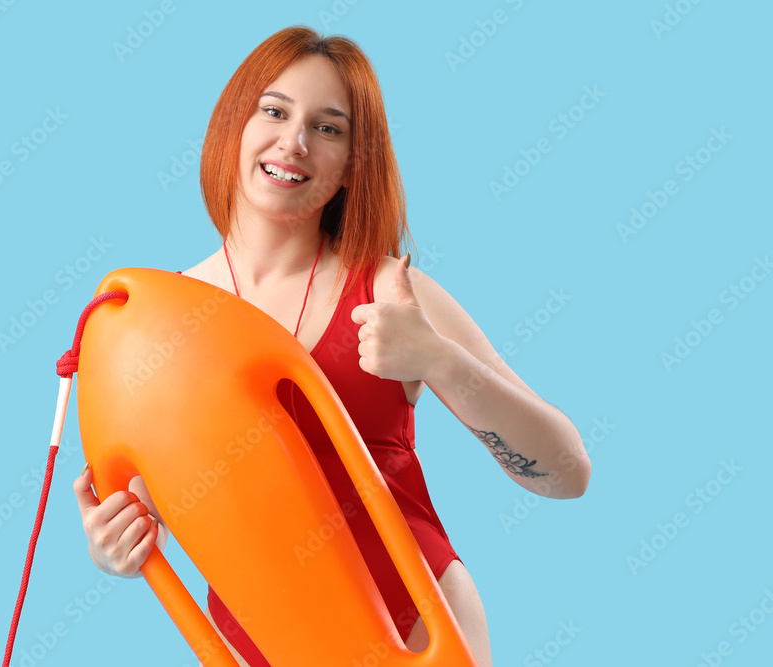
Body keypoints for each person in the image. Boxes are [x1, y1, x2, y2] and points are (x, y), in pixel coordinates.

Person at [73, 25, 590, 667]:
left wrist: (438, 361)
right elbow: (161, 503)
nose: (293, 141)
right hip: (258, 649)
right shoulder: (154, 324)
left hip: (422, 638)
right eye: (274, 110)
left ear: (352, 165)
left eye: (328, 128)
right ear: (233, 124)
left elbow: (567, 474)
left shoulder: (392, 293)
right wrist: (116, 546)